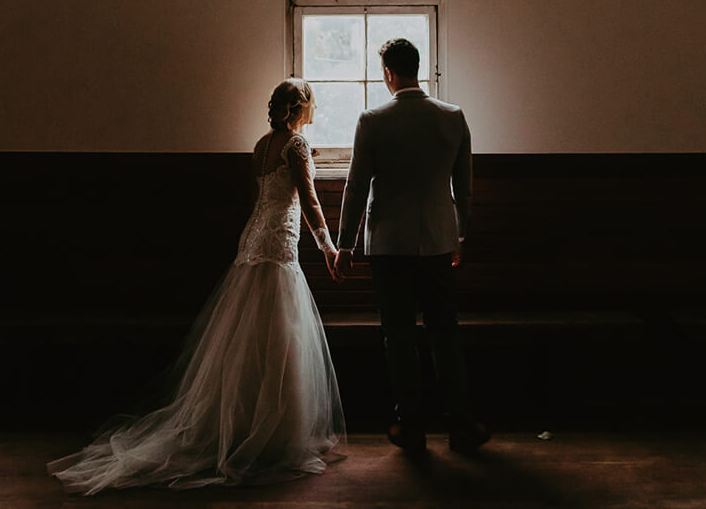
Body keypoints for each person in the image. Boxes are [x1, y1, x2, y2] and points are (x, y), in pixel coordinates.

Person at [48, 79, 345, 493]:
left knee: (250, 337)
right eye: (312, 104)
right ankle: (274, 434)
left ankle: (243, 425)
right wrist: (330, 249)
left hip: (254, 239)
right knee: (278, 335)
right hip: (277, 244)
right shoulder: (295, 147)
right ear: (300, 107)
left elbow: (267, 198)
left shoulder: (262, 146)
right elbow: (310, 202)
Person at [335, 38, 488, 454]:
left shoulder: (372, 120)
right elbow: (465, 187)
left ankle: (412, 426)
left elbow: (356, 186)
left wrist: (344, 245)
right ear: (417, 68)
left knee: (399, 336)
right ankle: (460, 425)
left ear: (388, 73)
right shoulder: (452, 117)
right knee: (444, 332)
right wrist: (460, 235)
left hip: (389, 244)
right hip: (438, 241)